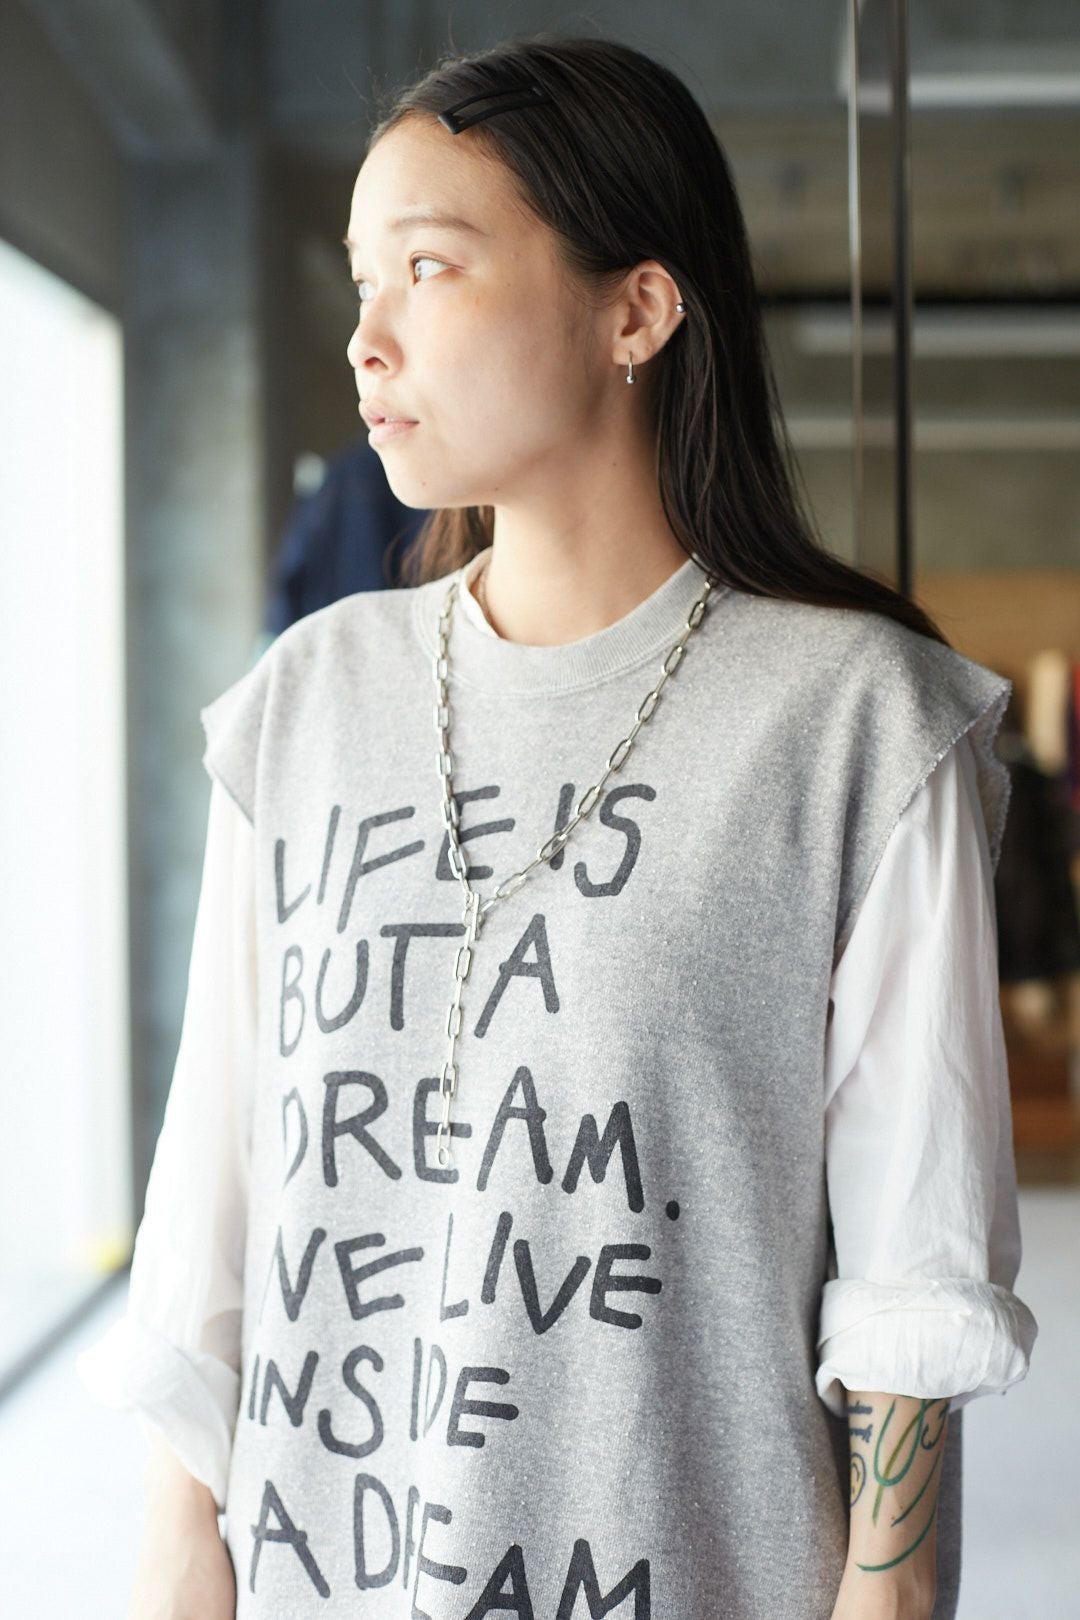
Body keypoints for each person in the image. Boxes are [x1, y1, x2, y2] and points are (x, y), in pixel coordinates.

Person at [78, 34, 1038, 1620]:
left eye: (428, 268)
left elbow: (912, 1270)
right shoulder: (305, 702)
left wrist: (892, 1590)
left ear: (635, 311)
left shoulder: (858, 722)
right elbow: (216, 1198)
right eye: (361, 280)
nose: (367, 338)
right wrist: (183, 1551)